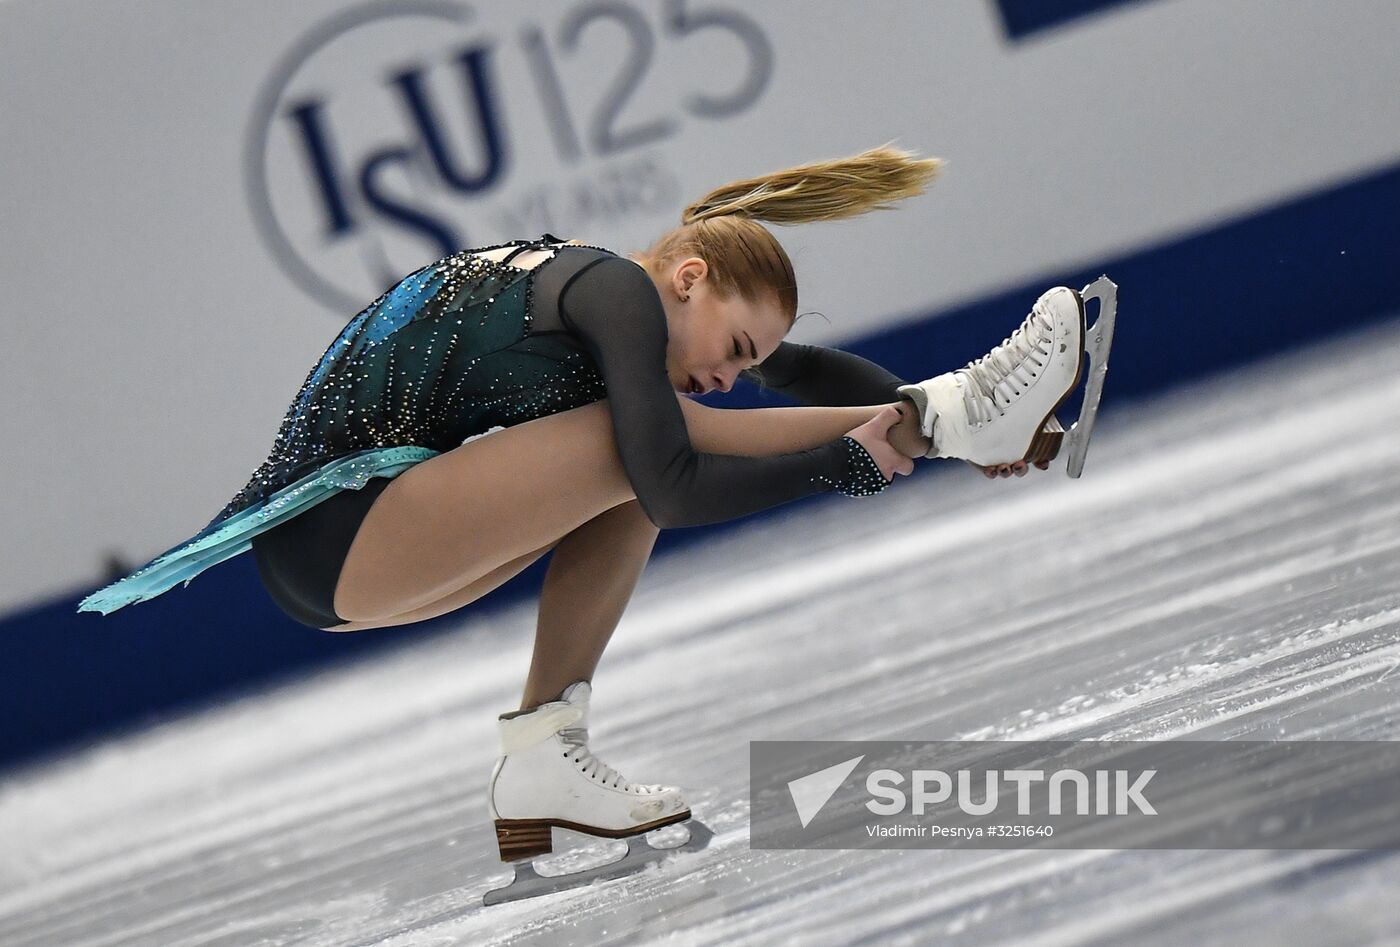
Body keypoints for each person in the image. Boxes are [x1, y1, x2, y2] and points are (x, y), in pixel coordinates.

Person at [78, 144, 1085, 863]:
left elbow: (807, 372)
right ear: (687, 279)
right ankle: (955, 417)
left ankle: (542, 760)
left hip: (368, 545)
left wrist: (892, 420)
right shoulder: (615, 294)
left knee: (630, 460)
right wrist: (851, 461)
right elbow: (677, 485)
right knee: (634, 448)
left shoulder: (629, 307)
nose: (735, 375)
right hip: (333, 533)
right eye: (734, 349)